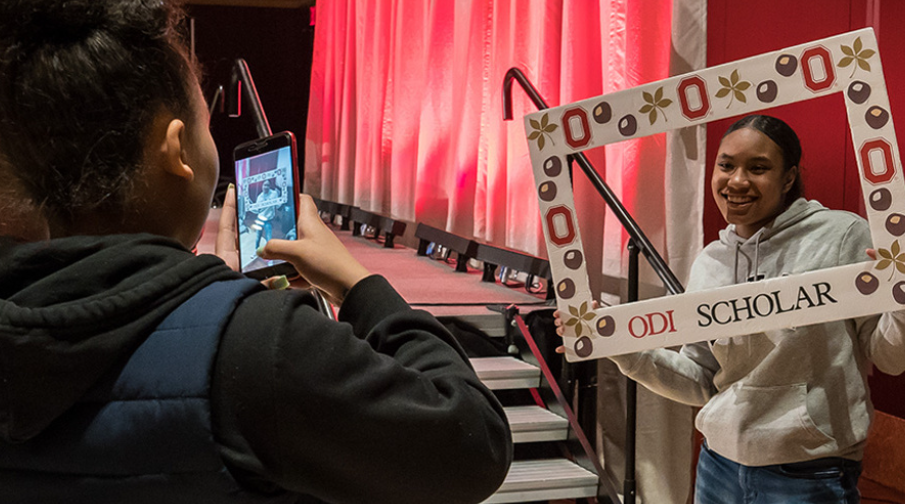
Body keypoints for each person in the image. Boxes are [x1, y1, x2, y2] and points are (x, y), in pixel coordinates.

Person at [0, 1, 512, 503]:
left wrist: (202, 300)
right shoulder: (263, 347)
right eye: (205, 121)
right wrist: (358, 285)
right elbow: (472, 442)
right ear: (177, 149)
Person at [556, 114, 905, 503]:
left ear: (788, 178)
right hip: (717, 466)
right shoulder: (710, 262)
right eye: (726, 165)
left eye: (758, 168)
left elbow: (889, 358)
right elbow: (702, 379)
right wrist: (618, 345)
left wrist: (903, 302)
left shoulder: (842, 237)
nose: (737, 181)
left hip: (808, 471)